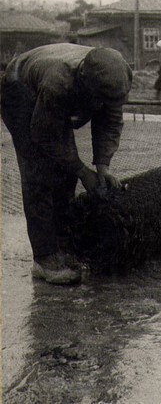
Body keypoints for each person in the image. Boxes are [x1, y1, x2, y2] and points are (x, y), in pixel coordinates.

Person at [0, 43, 132, 284]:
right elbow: (45, 135)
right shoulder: (59, 84)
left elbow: (110, 120)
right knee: (38, 172)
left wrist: (102, 168)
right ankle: (44, 258)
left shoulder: (113, 78)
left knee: (65, 172)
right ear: (86, 86)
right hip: (19, 87)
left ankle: (63, 244)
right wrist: (83, 171)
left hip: (51, 86)